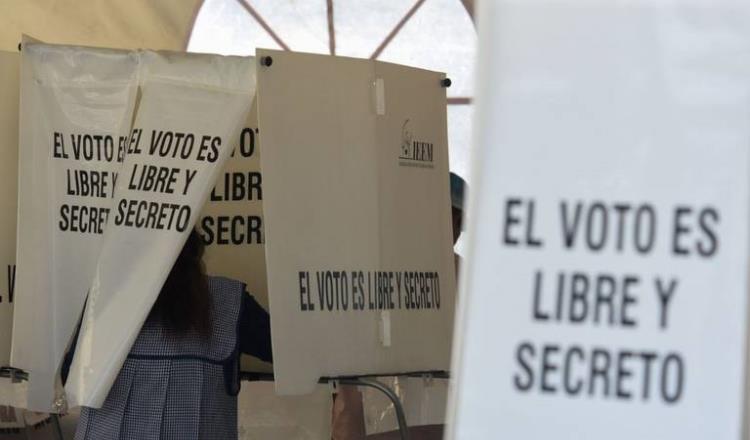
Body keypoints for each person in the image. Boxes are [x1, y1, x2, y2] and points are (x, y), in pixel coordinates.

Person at [63, 229, 272, 440]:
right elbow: (285, 352)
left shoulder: (104, 298)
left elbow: (70, 377)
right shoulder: (229, 300)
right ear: (192, 252)